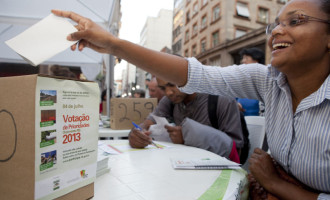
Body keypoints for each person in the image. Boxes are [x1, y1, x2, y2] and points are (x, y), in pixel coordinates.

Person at [52, 0, 330, 198]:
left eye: (295, 21)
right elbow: (196, 73)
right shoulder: (267, 80)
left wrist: (277, 184)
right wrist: (113, 44)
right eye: (276, 25)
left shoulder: (222, 102)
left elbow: (237, 148)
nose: (277, 31)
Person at [129, 78, 244, 163]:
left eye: (172, 84)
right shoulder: (170, 100)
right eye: (163, 88)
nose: (168, 92)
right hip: (183, 165)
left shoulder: (222, 100)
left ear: (187, 76)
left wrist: (189, 136)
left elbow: (236, 151)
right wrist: (136, 133)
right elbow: (148, 123)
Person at [237, 47, 265, 116]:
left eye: (246, 58)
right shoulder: (240, 81)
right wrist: (235, 104)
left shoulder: (265, 81)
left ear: (256, 61)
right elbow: (232, 98)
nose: (243, 61)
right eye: (243, 58)